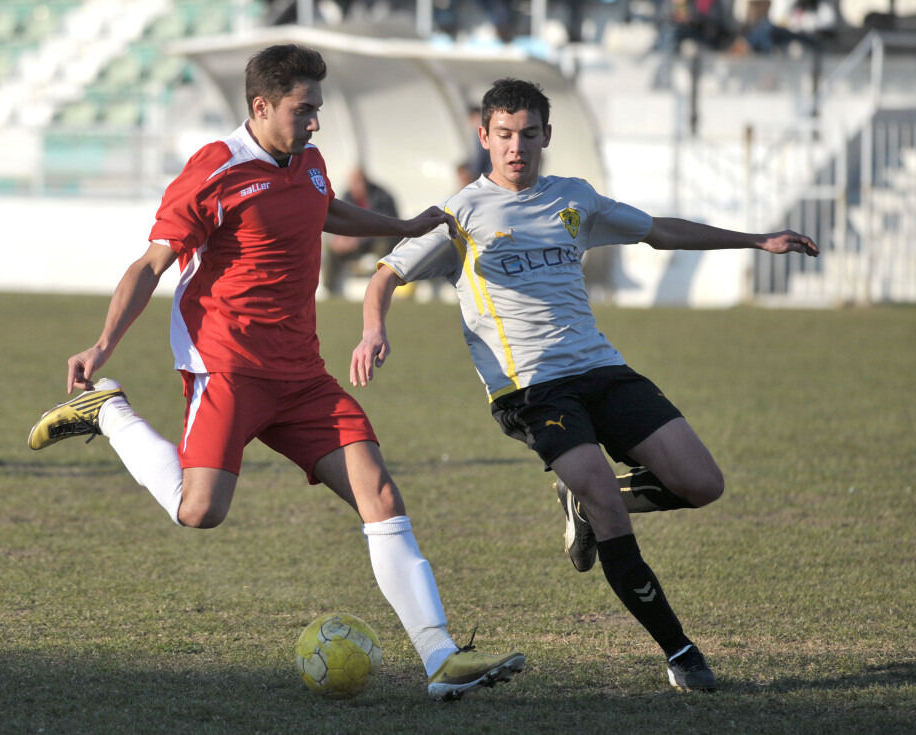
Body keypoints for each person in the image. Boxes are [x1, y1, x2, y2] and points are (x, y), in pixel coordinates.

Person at [26, 45, 524, 701]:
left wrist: (401, 225)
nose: (314, 123)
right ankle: (108, 411)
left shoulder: (307, 163)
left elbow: (327, 208)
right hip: (228, 367)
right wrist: (103, 343)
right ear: (261, 106)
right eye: (303, 110)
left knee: (379, 493)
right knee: (199, 511)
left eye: (317, 108)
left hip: (302, 374)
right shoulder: (216, 169)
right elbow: (151, 264)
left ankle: (439, 656)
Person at [349, 77, 819, 692]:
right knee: (600, 489)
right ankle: (682, 654)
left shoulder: (574, 198)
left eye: (529, 134)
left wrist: (756, 239)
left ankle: (588, 502)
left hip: (601, 369)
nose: (517, 147)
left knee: (703, 484)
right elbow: (385, 274)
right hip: (531, 389)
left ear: (547, 135)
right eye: (505, 135)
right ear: (484, 136)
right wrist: (371, 329)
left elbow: (659, 229)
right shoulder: (459, 212)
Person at [322, 166, 399, 296]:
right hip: (355, 242)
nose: (354, 186)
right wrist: (340, 239)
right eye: (352, 182)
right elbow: (341, 220)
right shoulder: (348, 195)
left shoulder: (382, 197)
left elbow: (384, 226)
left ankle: (380, 288)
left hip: (375, 242)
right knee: (331, 247)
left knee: (384, 243)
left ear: (366, 181)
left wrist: (358, 241)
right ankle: (329, 289)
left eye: (358, 182)